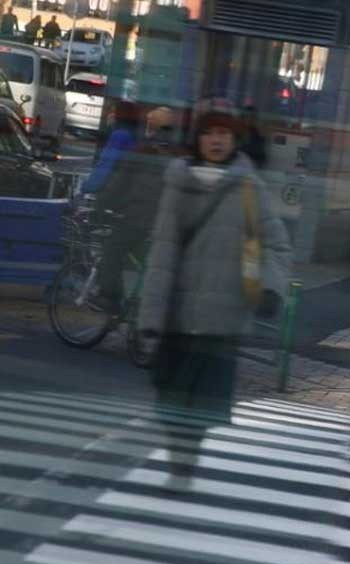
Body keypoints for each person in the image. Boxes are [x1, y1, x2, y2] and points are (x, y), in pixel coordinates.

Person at [138, 97, 291, 489]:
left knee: (201, 402)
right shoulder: (177, 180)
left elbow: (275, 244)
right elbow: (161, 253)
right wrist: (150, 318)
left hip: (221, 319)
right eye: (209, 132)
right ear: (198, 138)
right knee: (170, 399)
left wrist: (271, 287)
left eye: (224, 132)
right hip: (177, 313)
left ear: (234, 138)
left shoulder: (248, 187)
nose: (216, 140)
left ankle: (184, 466)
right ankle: (179, 459)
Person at [94, 105, 177, 314]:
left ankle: (111, 299)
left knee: (112, 250)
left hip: (139, 218)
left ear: (153, 127)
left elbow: (118, 184)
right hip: (165, 223)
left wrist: (100, 207)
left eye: (150, 124)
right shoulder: (177, 154)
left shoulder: (143, 152)